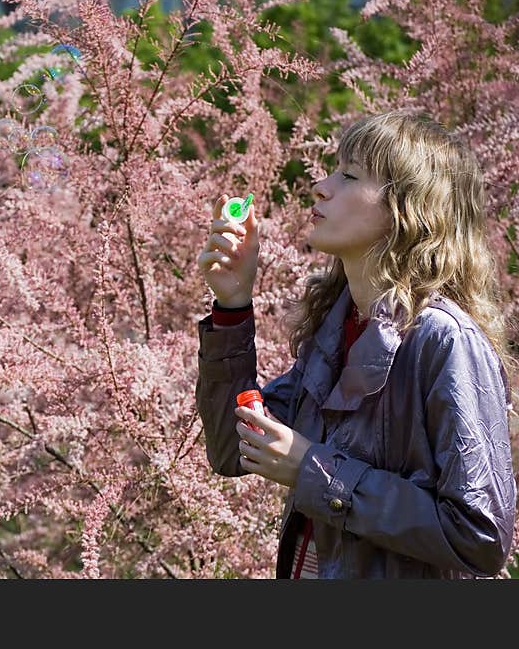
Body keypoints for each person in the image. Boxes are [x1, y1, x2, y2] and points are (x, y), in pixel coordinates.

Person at [195, 110, 518, 578]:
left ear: (409, 211)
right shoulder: (336, 326)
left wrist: (312, 469)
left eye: (348, 175)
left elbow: (480, 536)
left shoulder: (445, 341)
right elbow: (234, 450)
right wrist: (231, 305)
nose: (321, 186)